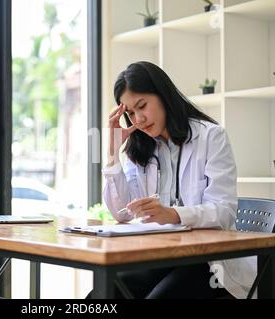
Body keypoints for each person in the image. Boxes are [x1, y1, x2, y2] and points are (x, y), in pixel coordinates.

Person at [102, 61, 257, 299]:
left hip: (207, 263)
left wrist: (173, 215)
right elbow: (123, 213)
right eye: (131, 113)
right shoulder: (140, 149)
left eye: (142, 105)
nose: (139, 119)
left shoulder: (211, 137)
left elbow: (224, 211)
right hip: (160, 257)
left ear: (163, 95)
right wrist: (113, 150)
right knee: (103, 293)